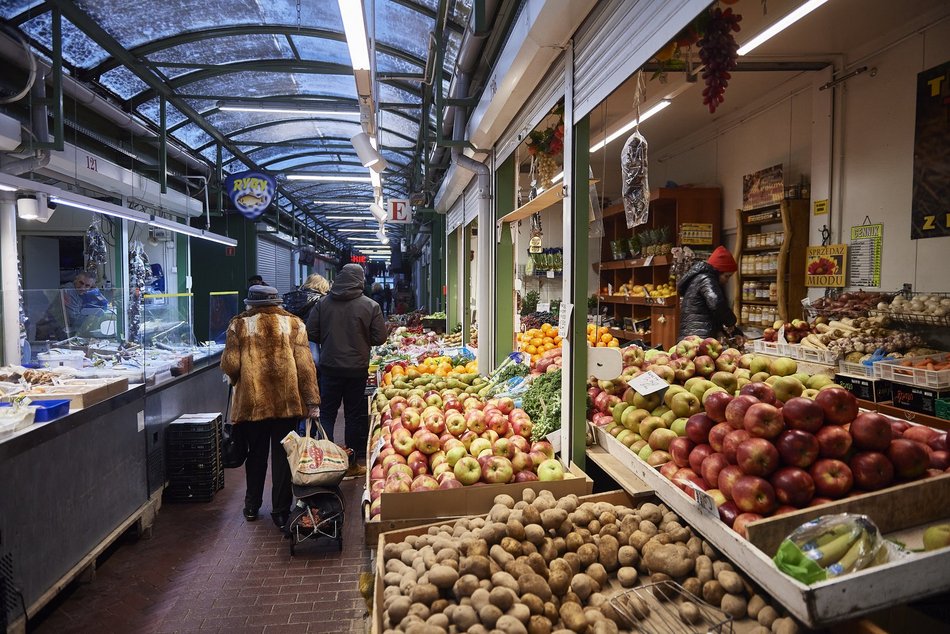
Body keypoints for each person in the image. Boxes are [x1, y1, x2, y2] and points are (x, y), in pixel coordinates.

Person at [221, 285, 320, 529]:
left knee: (255, 456)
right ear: (277, 301)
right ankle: (280, 511)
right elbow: (306, 367)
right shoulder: (294, 323)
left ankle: (252, 506)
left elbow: (231, 365)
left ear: (251, 303)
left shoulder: (238, 325)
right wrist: (312, 401)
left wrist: (238, 379)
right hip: (286, 403)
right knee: (284, 456)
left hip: (253, 403)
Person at [306, 264, 387, 478]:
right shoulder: (370, 305)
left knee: (327, 415)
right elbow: (380, 338)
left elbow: (311, 333)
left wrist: (330, 338)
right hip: (356, 369)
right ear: (360, 281)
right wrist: (360, 337)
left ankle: (325, 464)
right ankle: (351, 465)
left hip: (329, 368)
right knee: (353, 416)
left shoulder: (323, 304)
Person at [677, 246, 743, 341]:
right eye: (726, 276)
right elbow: (717, 304)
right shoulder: (706, 279)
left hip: (693, 335)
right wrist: (731, 322)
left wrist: (733, 330)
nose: (727, 281)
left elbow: (713, 311)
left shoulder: (700, 278)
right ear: (717, 271)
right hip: (698, 338)